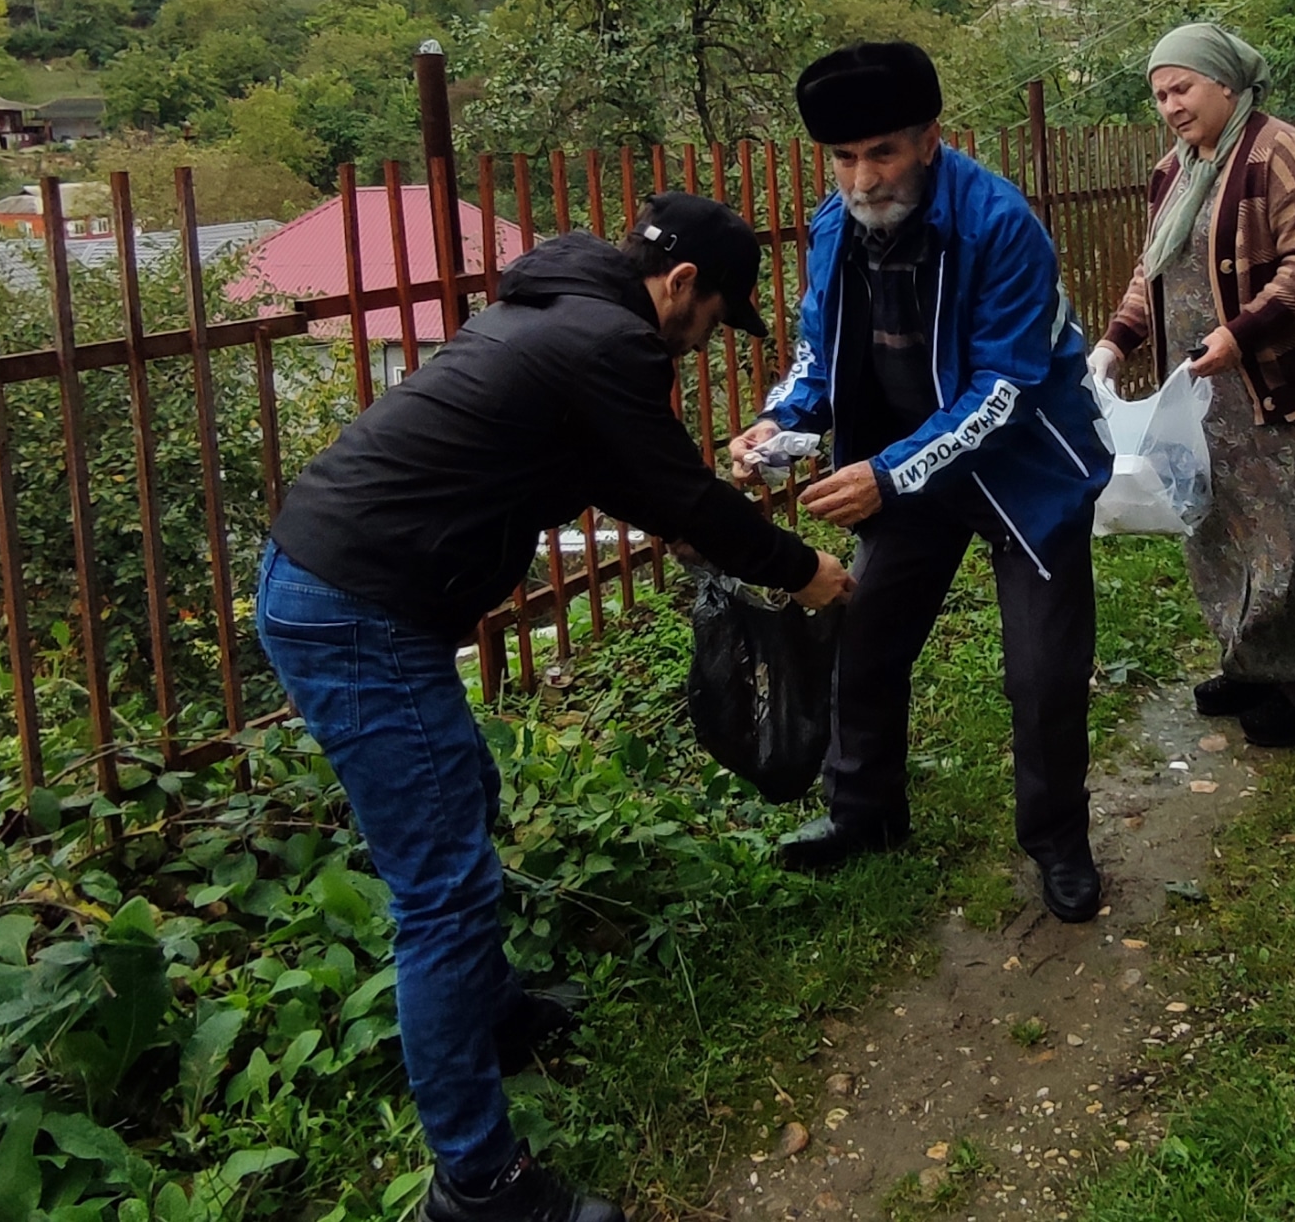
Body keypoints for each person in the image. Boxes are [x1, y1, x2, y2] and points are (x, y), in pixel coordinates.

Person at [258, 193, 852, 1222]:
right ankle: (477, 1183)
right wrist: (804, 571)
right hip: (357, 607)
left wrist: (683, 521)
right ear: (680, 288)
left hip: (348, 583)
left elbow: (605, 470)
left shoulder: (555, 314)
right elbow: (682, 492)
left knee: (464, 792)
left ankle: (489, 1014)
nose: (706, 337)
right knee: (440, 890)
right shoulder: (609, 343)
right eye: (715, 317)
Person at [728, 42, 1114, 922]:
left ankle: (1059, 842)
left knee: (1044, 671)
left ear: (929, 139)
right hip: (911, 471)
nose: (863, 179)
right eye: (844, 158)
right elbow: (818, 357)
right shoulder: (837, 227)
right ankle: (865, 815)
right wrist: (782, 426)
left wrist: (890, 474)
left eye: (883, 153)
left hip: (1026, 471)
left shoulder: (1000, 225)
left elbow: (1005, 390)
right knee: (864, 640)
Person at [1091, 23, 1295, 747]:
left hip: (1282, 387)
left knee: (1292, 537)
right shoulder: (1174, 171)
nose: (1170, 106)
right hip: (1204, 396)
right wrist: (1117, 341)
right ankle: (1248, 665)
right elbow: (1154, 269)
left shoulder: (1279, 152)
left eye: (1181, 88)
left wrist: (1240, 335)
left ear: (1225, 85)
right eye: (1159, 95)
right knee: (1216, 528)